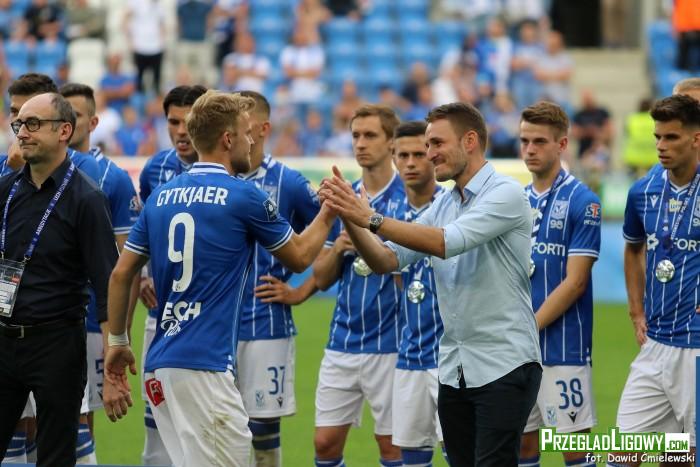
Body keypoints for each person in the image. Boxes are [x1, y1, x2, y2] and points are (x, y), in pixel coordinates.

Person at [102, 90, 338, 466]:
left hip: (160, 363)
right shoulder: (244, 195)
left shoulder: (161, 196)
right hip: (205, 367)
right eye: (245, 134)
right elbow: (299, 257)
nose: (251, 142)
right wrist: (328, 212)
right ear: (228, 139)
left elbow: (120, 273)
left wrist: (117, 341)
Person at [320, 102, 542, 466]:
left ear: (470, 141)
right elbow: (386, 260)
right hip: (456, 367)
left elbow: (445, 242)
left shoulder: (506, 192)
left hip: (504, 363)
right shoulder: (445, 203)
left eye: (437, 143)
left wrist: (370, 217)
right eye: (428, 144)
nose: (429, 153)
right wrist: (351, 219)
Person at [0, 92, 117, 466]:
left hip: (56, 345)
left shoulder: (87, 198)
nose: (22, 132)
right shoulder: (5, 190)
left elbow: (107, 282)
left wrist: (114, 352)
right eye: (19, 124)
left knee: (55, 456)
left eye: (33, 124)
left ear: (64, 131)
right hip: (3, 340)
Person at [235, 90, 336, 466]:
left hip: (265, 322)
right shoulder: (215, 177)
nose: (235, 133)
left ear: (263, 129)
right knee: (218, 424)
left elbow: (333, 235)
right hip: (214, 324)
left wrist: (302, 290)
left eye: (243, 126)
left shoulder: (288, 183)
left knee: (262, 429)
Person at [311, 104, 404, 467]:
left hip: (392, 343)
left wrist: (372, 241)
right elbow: (320, 278)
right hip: (343, 340)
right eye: (355, 136)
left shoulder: (408, 197)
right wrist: (338, 247)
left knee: (392, 447)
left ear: (391, 141)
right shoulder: (341, 197)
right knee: (324, 444)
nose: (361, 143)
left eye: (370, 135)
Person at [613, 94, 700, 467]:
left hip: (697, 349)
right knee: (621, 454)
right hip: (656, 345)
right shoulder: (642, 192)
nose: (661, 146)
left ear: (695, 139)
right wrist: (636, 312)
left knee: (681, 457)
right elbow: (633, 249)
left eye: (671, 137)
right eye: (658, 137)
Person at [59, 82, 141, 460]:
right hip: (44, 314)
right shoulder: (32, 170)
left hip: (92, 319)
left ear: (93, 123)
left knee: (80, 419)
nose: (66, 122)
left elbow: (125, 263)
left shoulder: (113, 178)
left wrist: (119, 332)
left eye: (74, 116)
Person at [518, 101, 602, 467]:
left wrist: (527, 326)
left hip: (564, 349)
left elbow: (576, 281)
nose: (529, 149)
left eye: (539, 141)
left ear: (562, 144)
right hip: (516, 353)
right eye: (524, 141)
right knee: (522, 448)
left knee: (575, 452)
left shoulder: (584, 201)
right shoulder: (514, 202)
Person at [137, 83, 207, 466]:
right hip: (161, 315)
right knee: (156, 417)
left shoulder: (231, 172)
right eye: (173, 122)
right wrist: (144, 275)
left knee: (211, 425)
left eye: (189, 122)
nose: (181, 131)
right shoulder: (155, 170)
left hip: (212, 320)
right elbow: (144, 235)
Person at [390, 121, 446, 467]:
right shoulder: (390, 215)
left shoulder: (453, 207)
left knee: (459, 452)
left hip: (452, 358)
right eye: (403, 155)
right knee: (412, 456)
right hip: (410, 354)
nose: (410, 163)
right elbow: (398, 276)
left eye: (418, 154)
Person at [0, 73, 100, 182]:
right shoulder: (3, 162)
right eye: (14, 111)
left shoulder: (83, 164)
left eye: (31, 116)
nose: (19, 120)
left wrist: (23, 170)